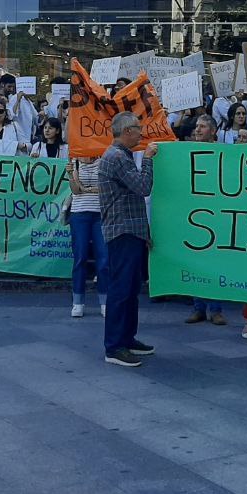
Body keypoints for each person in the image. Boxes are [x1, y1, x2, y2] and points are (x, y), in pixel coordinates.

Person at [100, 113, 158, 367]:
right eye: (138, 128)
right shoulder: (116, 157)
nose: (142, 133)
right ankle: (114, 347)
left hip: (130, 230)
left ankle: (127, 338)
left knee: (130, 289)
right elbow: (143, 187)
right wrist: (147, 160)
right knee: (121, 290)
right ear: (126, 131)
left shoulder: (119, 155)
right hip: (122, 231)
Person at [181, 116, 227, 326]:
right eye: (197, 126)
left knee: (215, 262)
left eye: (202, 126)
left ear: (213, 130)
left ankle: (215, 309)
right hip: (193, 213)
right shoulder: (184, 152)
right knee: (196, 262)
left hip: (216, 214)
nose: (197, 130)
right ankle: (198, 307)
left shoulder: (223, 151)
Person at [67, 135, 109, 321]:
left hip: (101, 213)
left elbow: (106, 188)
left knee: (104, 259)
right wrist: (70, 174)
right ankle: (78, 302)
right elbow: (76, 190)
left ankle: (105, 301)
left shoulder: (104, 159)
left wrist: (88, 190)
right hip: (79, 212)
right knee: (80, 257)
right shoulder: (75, 160)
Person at [0, 73, 39, 144]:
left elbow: (35, 117)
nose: (11, 89)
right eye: (9, 86)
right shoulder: (14, 98)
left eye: (13, 87)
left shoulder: (26, 100)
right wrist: (17, 100)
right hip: (12, 137)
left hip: (26, 137)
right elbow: (11, 115)